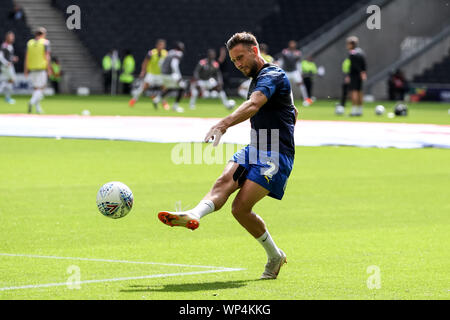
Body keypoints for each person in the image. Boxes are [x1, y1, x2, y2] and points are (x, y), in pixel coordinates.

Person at [158, 32, 298, 279]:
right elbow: (291, 110)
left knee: (240, 208)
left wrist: (223, 124)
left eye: (241, 57)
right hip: (256, 146)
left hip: (276, 154)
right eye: (234, 61)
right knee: (224, 181)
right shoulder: (258, 79)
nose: (238, 64)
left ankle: (275, 256)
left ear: (255, 51)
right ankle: (194, 214)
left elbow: (254, 105)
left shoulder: (272, 74)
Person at [129, 39, 167, 108]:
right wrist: (143, 71)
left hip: (160, 75)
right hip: (151, 74)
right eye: (160, 45)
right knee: (143, 87)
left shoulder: (165, 53)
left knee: (165, 89)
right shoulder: (151, 53)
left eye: (163, 45)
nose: (161, 46)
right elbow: (145, 62)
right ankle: (134, 100)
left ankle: (164, 102)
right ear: (157, 45)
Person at [276, 40, 312, 106]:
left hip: (294, 71)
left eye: (293, 44)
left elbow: (297, 62)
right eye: (291, 44)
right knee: (281, 85)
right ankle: (279, 100)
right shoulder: (285, 51)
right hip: (286, 71)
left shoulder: (298, 52)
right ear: (289, 45)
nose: (292, 45)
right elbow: (283, 59)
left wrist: (300, 72)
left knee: (301, 84)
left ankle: (306, 99)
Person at [24, 27, 52, 114]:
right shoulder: (45, 43)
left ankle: (38, 108)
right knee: (42, 88)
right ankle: (31, 102)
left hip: (32, 69)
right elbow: (47, 56)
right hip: (41, 69)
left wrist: (25, 69)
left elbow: (27, 57)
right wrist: (49, 68)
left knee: (36, 89)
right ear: (43, 34)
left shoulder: (30, 43)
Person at [153, 41, 186, 113]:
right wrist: (179, 77)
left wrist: (162, 71)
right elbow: (174, 64)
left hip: (163, 74)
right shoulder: (179, 53)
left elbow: (160, 62)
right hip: (171, 75)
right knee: (182, 87)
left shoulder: (170, 52)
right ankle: (175, 106)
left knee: (171, 88)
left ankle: (156, 99)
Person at [345, 36, 367, 116]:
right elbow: (364, 64)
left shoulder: (352, 53)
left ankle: (354, 111)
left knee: (354, 93)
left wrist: (348, 76)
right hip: (360, 76)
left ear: (351, 44)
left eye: (348, 44)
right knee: (360, 92)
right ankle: (360, 110)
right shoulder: (361, 52)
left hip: (354, 75)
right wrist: (363, 73)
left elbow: (354, 65)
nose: (347, 46)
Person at [0, 31, 18, 104]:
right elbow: (0, 56)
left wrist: (13, 58)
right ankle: (7, 97)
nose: (12, 38)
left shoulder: (10, 46)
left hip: (9, 65)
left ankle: (7, 98)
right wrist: (6, 62)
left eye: (13, 37)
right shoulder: (4, 45)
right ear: (7, 37)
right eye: (11, 36)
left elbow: (8, 56)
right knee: (11, 80)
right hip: (6, 66)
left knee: (9, 81)